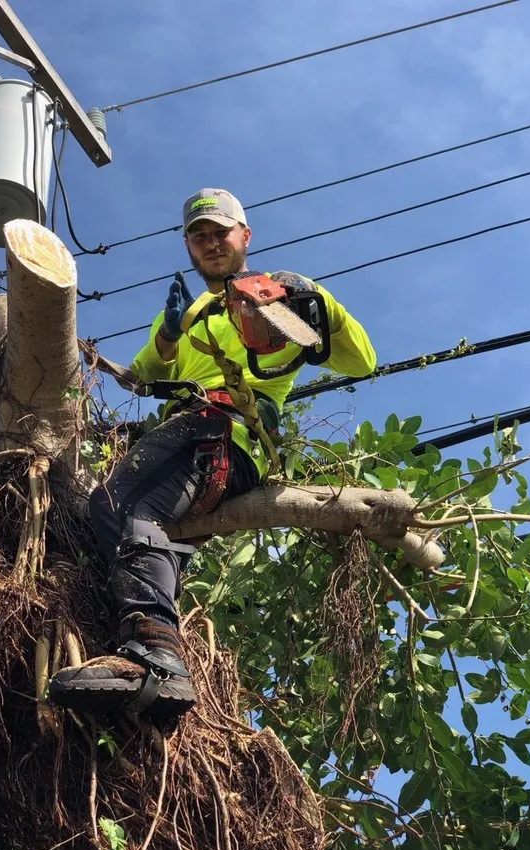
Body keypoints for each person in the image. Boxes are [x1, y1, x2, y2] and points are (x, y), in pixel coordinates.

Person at [49, 188, 376, 721]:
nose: (210, 243)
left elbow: (361, 362)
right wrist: (169, 338)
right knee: (123, 520)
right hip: (187, 435)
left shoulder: (274, 300)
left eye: (220, 232)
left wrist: (316, 299)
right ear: (188, 246)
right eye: (199, 235)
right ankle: (145, 662)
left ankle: (157, 654)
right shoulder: (192, 310)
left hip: (226, 434)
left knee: (114, 503)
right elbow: (140, 377)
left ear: (244, 236)